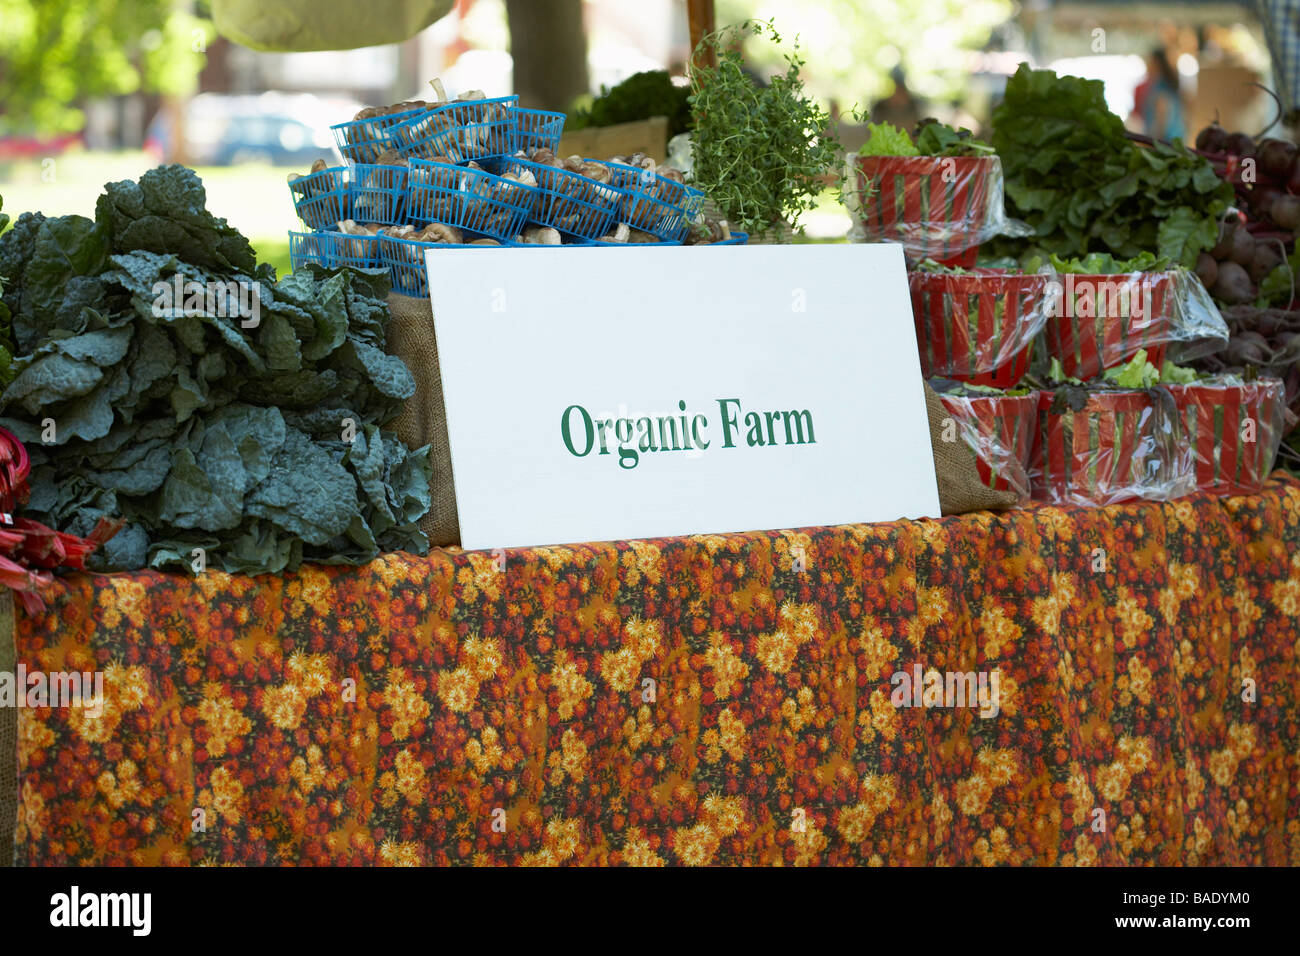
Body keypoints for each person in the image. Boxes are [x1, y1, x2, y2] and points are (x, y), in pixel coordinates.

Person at [1136, 47, 1187, 141]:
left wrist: (1152, 143)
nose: (1147, 66)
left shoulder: (1160, 88)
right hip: (1174, 143)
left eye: (1149, 62)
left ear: (1156, 64)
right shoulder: (1168, 85)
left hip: (1166, 145)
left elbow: (1161, 121)